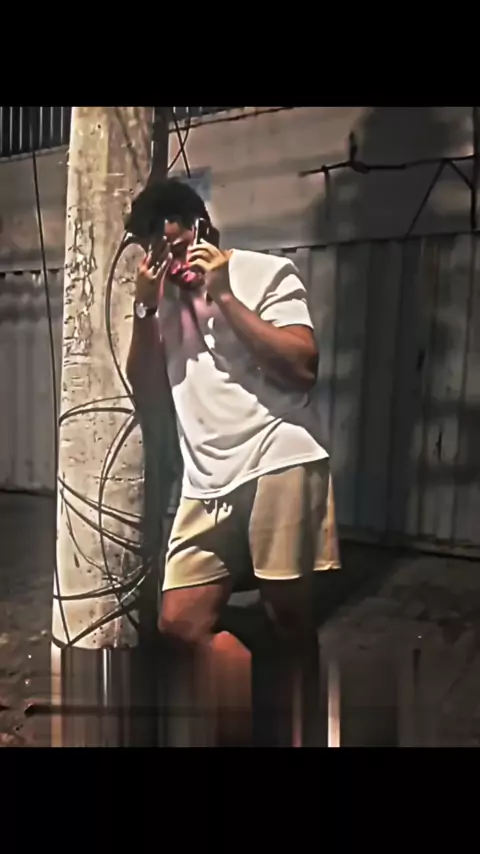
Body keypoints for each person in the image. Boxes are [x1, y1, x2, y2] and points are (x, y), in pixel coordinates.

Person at [125, 177, 340, 747]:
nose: (169, 263)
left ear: (202, 227)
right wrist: (145, 308)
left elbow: (302, 367)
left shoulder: (265, 272)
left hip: (278, 455)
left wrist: (223, 296)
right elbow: (147, 391)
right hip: (207, 478)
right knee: (179, 624)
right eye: (156, 254)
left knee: (288, 619)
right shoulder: (162, 303)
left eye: (175, 246)